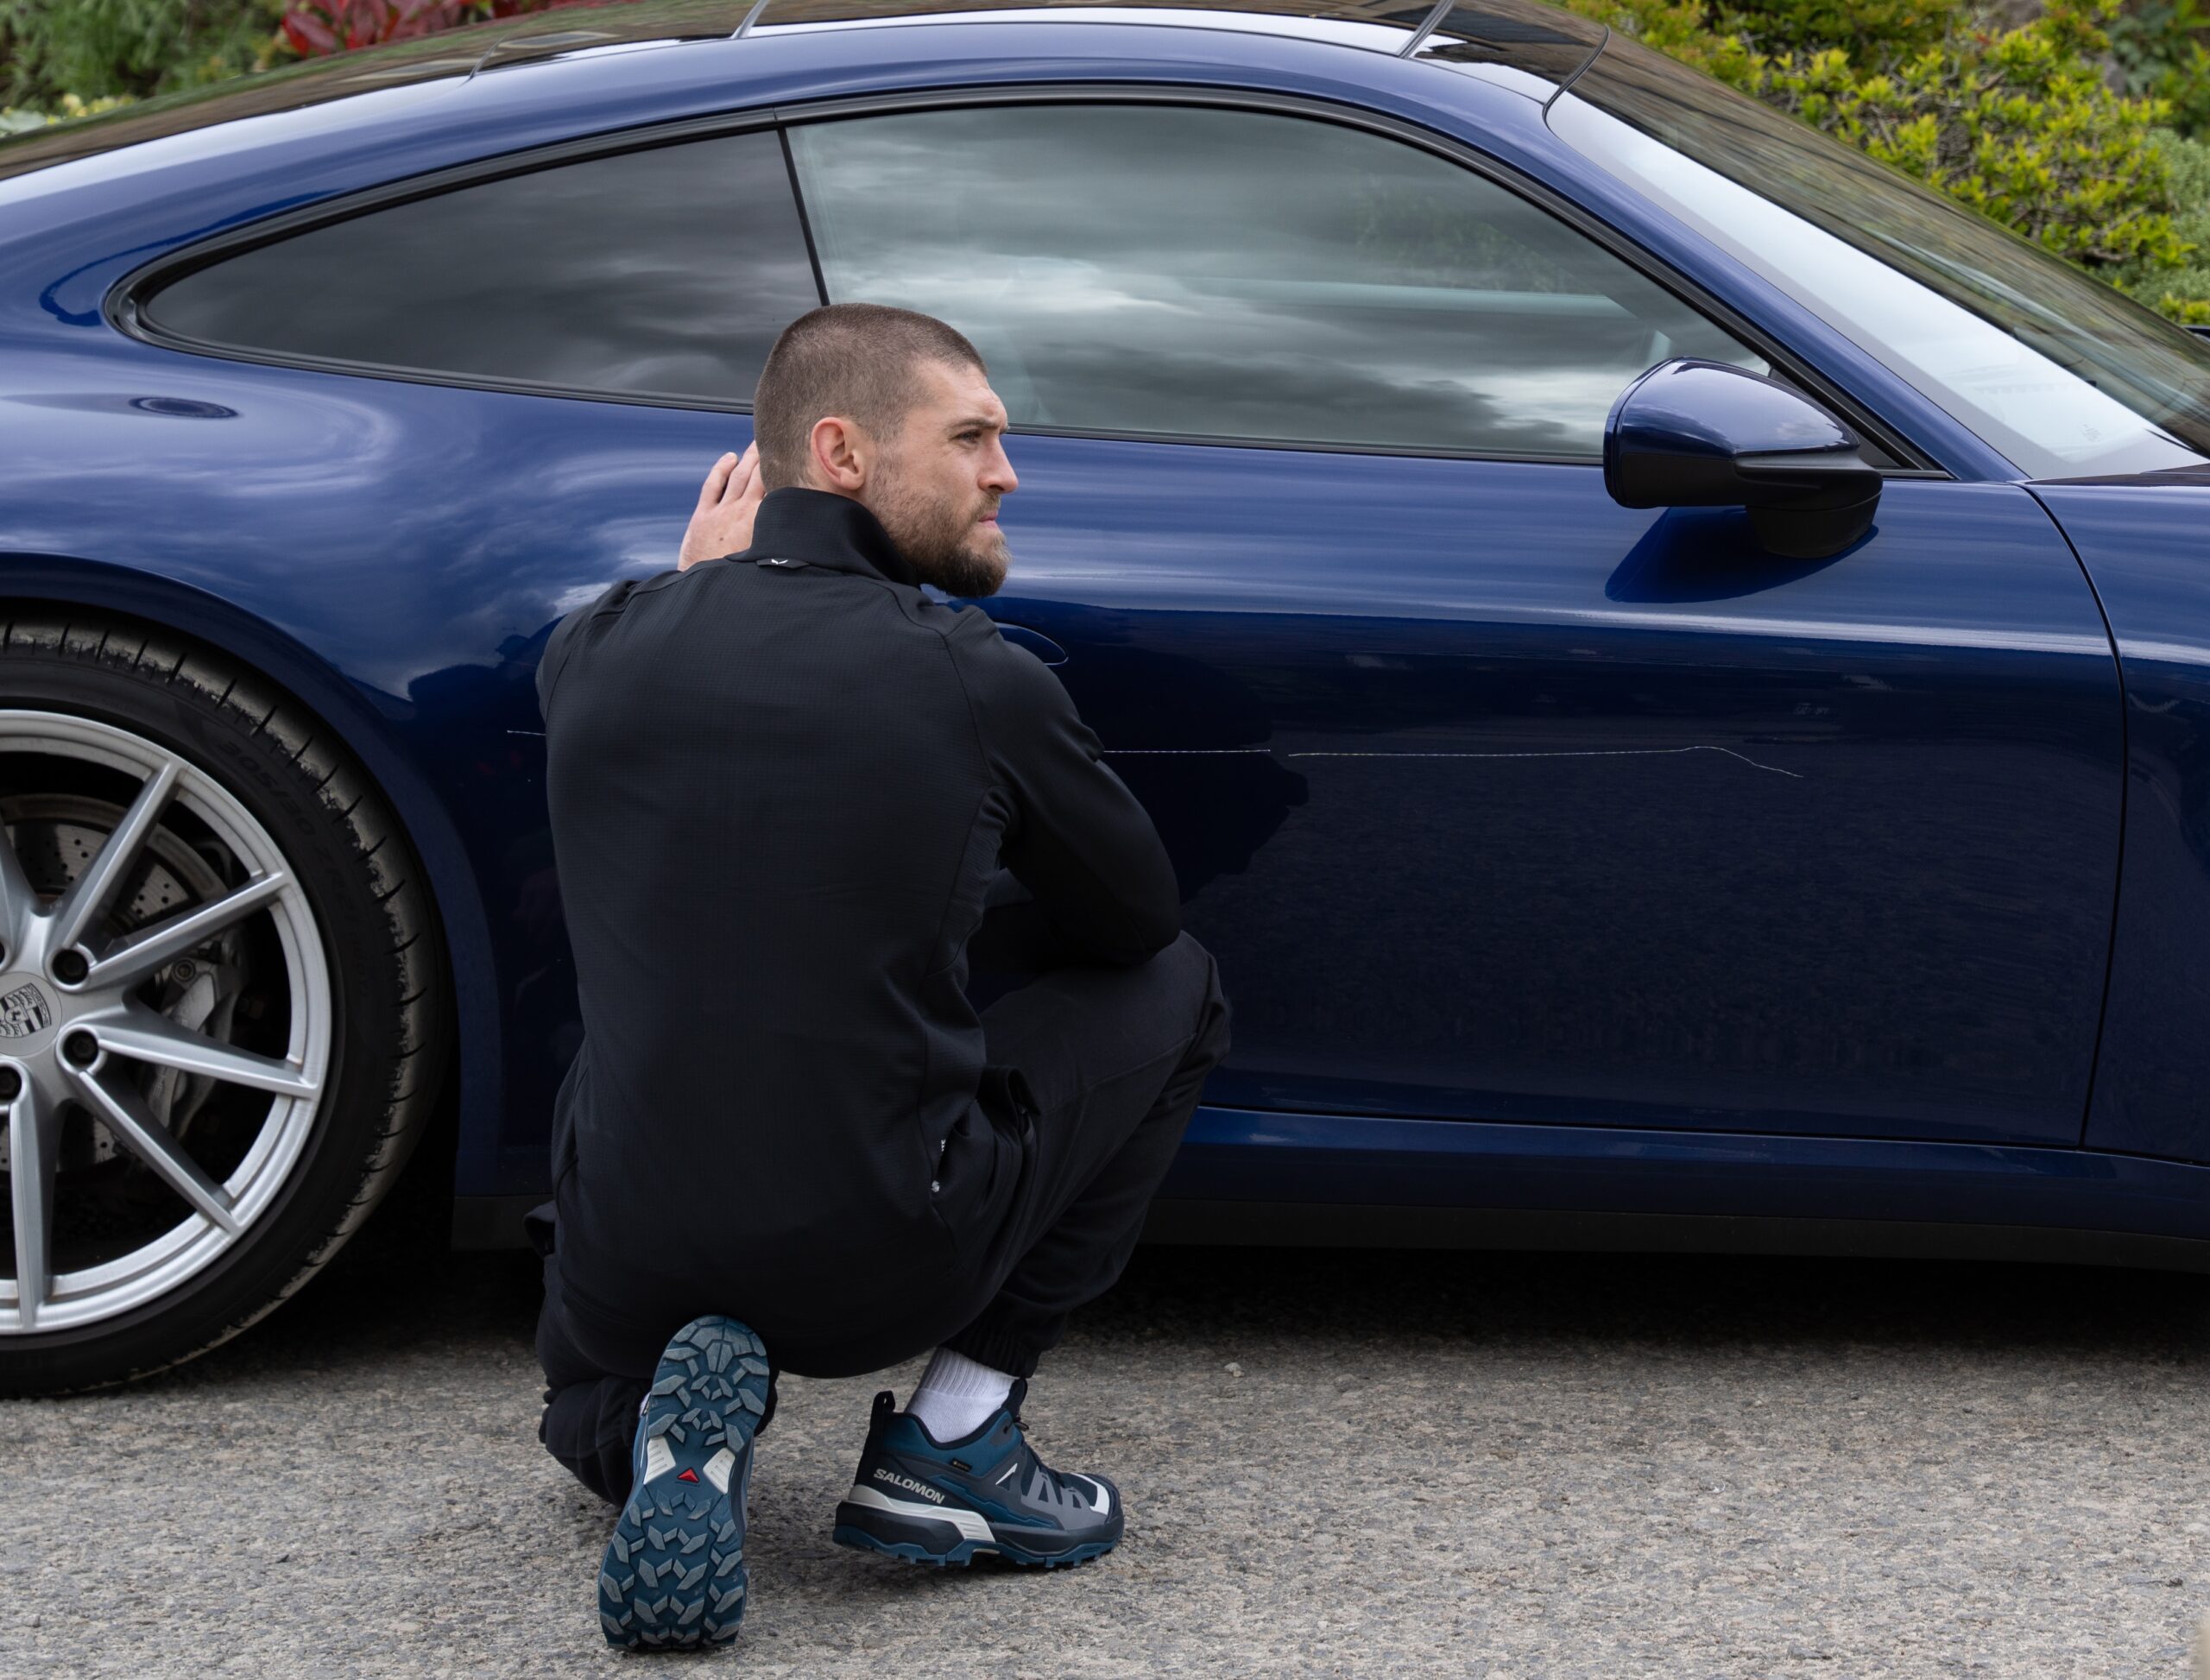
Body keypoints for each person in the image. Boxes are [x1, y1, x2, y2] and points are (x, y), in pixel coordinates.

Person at [528, 302, 1232, 1649]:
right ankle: (957, 1438)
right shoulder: (972, 676)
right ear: (840, 452)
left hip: (619, 1252)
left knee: (675, 953)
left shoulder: (595, 648)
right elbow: (1135, 918)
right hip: (872, 1261)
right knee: (1181, 985)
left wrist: (683, 592)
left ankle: (648, 1434)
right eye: (969, 437)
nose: (1004, 472)